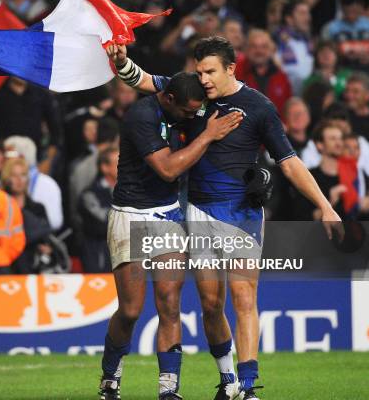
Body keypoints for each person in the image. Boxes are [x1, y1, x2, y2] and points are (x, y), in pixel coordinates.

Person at [108, 36, 342, 400]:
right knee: (210, 304)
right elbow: (142, 80)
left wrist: (326, 206)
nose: (203, 79)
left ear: (231, 68)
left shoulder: (259, 107)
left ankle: (248, 388)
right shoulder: (192, 94)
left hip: (242, 212)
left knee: (243, 296)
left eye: (210, 71)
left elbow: (290, 162)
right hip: (198, 210)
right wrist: (122, 61)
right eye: (199, 71)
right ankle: (228, 380)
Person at [95, 65, 243, 399]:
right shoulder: (141, 116)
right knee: (131, 310)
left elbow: (151, 78)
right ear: (170, 99)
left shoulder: (184, 95)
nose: (194, 116)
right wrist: (207, 135)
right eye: (188, 112)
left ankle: (168, 389)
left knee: (170, 302)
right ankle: (110, 376)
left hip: (167, 214)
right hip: (130, 215)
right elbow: (167, 169)